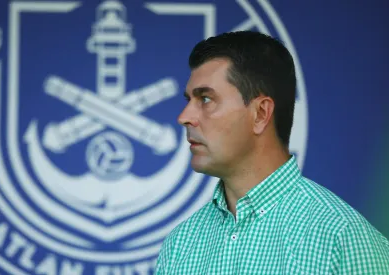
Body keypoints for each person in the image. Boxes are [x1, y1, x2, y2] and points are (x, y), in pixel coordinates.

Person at [154, 31, 389, 274]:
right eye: (188, 100)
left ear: (261, 114)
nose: (184, 117)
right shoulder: (181, 244)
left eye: (205, 99)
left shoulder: (343, 238)